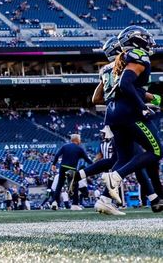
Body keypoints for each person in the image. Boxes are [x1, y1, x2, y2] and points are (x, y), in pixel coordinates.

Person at [101, 26, 163, 212]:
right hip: (128, 113)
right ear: (136, 41)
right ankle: (116, 177)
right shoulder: (138, 55)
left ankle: (104, 200)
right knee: (157, 151)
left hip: (114, 114)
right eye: (145, 38)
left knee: (125, 156)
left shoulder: (120, 61)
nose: (149, 41)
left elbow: (127, 86)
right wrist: (142, 107)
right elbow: (125, 84)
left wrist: (150, 98)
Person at [47, 134, 92, 210]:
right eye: (79, 139)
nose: (80, 140)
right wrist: (96, 165)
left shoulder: (65, 146)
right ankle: (75, 204)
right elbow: (87, 160)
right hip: (72, 168)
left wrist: (54, 164)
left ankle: (54, 202)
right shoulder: (79, 149)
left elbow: (57, 155)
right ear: (77, 140)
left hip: (63, 167)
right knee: (75, 185)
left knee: (59, 185)